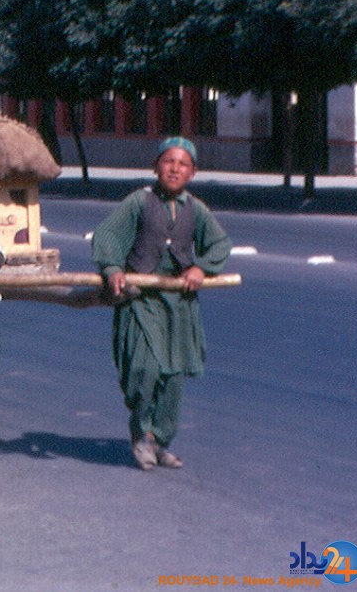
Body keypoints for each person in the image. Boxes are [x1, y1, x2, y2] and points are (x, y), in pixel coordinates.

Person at [91, 136, 231, 471]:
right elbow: (108, 235)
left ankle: (160, 441)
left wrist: (201, 267)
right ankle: (141, 434)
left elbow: (220, 244)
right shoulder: (139, 201)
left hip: (177, 305)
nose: (174, 169)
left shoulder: (196, 210)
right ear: (156, 166)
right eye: (169, 161)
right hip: (140, 299)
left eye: (182, 164)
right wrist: (112, 269)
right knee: (145, 369)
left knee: (173, 378)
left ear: (192, 172)